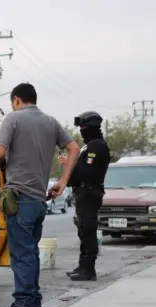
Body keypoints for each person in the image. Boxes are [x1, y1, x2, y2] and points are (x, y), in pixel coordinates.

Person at [0, 82, 80, 307]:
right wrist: (62, 180)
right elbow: (74, 148)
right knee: (30, 252)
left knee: (21, 255)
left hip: (19, 198)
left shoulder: (13, 119)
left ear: (16, 100)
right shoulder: (50, 122)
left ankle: (23, 304)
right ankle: (33, 302)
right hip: (40, 200)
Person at [62, 111, 111, 281]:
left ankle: (88, 270)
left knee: (88, 230)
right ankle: (82, 265)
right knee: (83, 229)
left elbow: (87, 172)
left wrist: (70, 165)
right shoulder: (89, 146)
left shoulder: (96, 146)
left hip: (90, 192)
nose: (81, 131)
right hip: (84, 193)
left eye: (84, 127)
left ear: (92, 127)